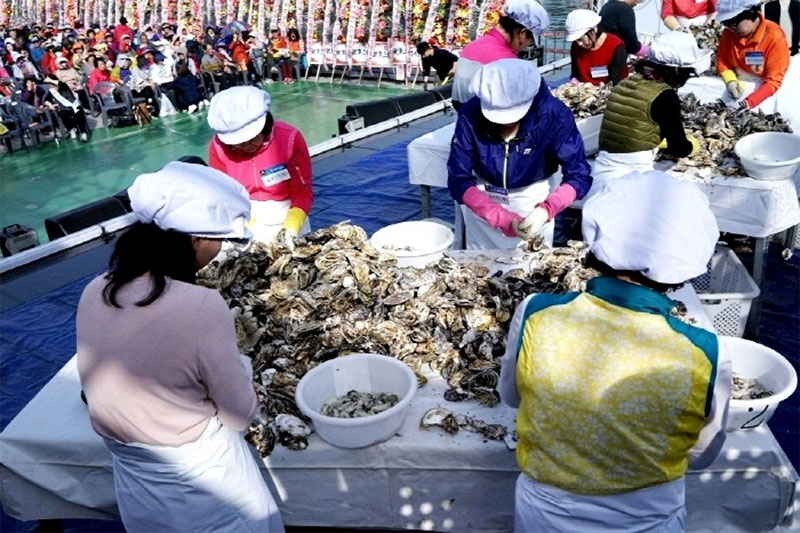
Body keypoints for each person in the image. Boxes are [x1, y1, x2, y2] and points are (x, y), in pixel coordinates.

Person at [500, 170, 730, 533]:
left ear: (595, 240)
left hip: (543, 516)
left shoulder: (536, 313)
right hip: (648, 521)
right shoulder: (704, 350)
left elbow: (511, 398)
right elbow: (702, 455)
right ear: (686, 262)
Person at [76, 161, 285, 532]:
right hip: (205, 490)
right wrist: (247, 375)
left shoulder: (95, 289)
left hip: (139, 496)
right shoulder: (201, 306)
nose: (218, 250)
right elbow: (238, 414)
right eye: (218, 239)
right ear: (195, 239)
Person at [447, 59, 592, 249]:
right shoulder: (470, 114)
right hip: (483, 203)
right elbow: (458, 178)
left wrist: (546, 211)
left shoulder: (554, 115)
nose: (505, 123)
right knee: (480, 268)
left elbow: (579, 174)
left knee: (532, 269)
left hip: (533, 200)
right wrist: (497, 216)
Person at [593, 32, 705, 189]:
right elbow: (678, 149)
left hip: (601, 174)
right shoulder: (665, 96)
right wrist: (692, 145)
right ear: (677, 71)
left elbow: (633, 126)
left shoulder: (627, 81)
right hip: (633, 180)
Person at [207, 86, 313, 242]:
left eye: (251, 139)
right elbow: (223, 195)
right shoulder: (218, 148)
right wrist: (248, 223)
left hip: (288, 211)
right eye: (238, 143)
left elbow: (302, 192)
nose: (246, 145)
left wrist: (292, 224)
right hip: (241, 217)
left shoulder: (290, 138)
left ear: (266, 126)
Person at [451, 0, 549, 108]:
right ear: (523, 33)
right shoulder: (508, 62)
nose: (527, 46)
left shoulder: (471, 47)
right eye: (530, 41)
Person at [716, 0, 795, 119]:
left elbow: (774, 81)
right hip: (739, 82)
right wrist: (730, 81)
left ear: (751, 14)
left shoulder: (774, 37)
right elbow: (722, 59)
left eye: (734, 24)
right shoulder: (729, 33)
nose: (730, 29)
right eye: (726, 24)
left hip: (765, 90)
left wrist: (748, 103)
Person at [566, 9, 629, 85]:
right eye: (576, 40)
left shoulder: (616, 46)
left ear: (594, 30)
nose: (579, 43)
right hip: (584, 89)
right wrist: (574, 81)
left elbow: (614, 81)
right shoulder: (576, 46)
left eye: (581, 39)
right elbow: (575, 73)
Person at [43, 77, 90, 141]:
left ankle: (83, 133)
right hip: (64, 108)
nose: (50, 86)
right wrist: (49, 104)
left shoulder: (64, 86)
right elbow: (45, 100)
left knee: (78, 114)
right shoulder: (52, 91)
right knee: (63, 115)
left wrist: (51, 79)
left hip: (74, 105)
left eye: (51, 83)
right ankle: (71, 130)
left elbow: (60, 83)